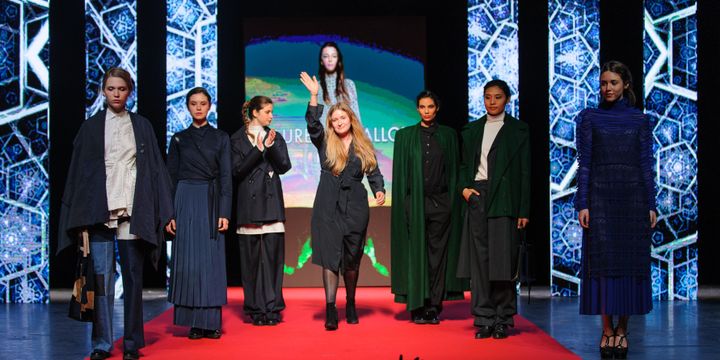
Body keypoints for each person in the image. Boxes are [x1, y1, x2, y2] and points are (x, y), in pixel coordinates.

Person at [57, 67, 174, 360]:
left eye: (121, 89)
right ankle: (101, 343)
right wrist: (80, 217)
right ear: (103, 91)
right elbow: (79, 175)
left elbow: (156, 169)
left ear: (129, 91)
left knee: (134, 277)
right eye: (111, 89)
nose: (116, 94)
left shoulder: (142, 125)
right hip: (99, 211)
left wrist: (167, 211)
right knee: (101, 280)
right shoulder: (91, 127)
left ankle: (132, 343)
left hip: (133, 209)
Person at [575, 60, 657, 359]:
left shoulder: (640, 120)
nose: (607, 88)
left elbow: (646, 165)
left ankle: (623, 329)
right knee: (603, 267)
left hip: (632, 198)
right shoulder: (590, 118)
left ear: (625, 86)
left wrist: (651, 203)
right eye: (604, 83)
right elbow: (585, 164)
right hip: (600, 198)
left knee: (629, 267)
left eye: (613, 83)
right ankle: (607, 329)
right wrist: (583, 202)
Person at [299, 71, 385, 330]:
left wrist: (378, 189)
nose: (338, 121)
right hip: (327, 205)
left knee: (351, 259)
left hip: (356, 207)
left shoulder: (363, 145)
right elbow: (313, 125)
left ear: (351, 119)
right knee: (329, 258)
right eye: (334, 119)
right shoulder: (324, 141)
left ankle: (350, 303)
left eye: (342, 117)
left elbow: (374, 171)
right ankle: (330, 309)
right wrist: (314, 96)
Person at [457, 79, 530, 340]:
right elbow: (464, 164)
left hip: (505, 199)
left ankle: (503, 318)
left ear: (507, 99)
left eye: (497, 97)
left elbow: (524, 172)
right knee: (480, 263)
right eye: (488, 97)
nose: (492, 102)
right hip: (478, 196)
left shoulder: (518, 130)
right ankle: (484, 318)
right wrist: (464, 188)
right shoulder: (472, 129)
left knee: (502, 261)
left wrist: (524, 210)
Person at [390, 90, 467, 324]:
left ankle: (434, 306)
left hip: (441, 204)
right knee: (417, 255)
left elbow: (454, 170)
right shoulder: (405, 137)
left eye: (430, 107)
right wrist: (404, 205)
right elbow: (401, 177)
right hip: (415, 203)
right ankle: (417, 305)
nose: (426, 111)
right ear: (417, 109)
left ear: (437, 108)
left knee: (437, 256)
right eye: (422, 107)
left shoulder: (448, 135)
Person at [165, 87, 232, 340]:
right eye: (194, 103)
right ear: (188, 106)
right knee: (189, 262)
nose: (199, 107)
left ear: (210, 106)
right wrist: (169, 214)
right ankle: (193, 322)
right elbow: (170, 178)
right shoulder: (179, 138)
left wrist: (224, 212)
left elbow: (226, 177)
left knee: (211, 262)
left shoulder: (220, 138)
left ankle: (211, 322)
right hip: (184, 199)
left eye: (203, 103)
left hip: (210, 200)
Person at [231, 95, 291, 326]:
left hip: (272, 206)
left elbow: (284, 166)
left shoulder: (275, 136)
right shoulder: (236, 139)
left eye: (272, 112)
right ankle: (256, 309)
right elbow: (237, 171)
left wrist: (270, 145)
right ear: (255, 112)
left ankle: (273, 308)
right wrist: (257, 149)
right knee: (251, 264)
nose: (271, 115)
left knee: (274, 263)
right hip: (248, 207)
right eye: (267, 111)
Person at [316, 41, 361, 122]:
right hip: (327, 133)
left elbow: (356, 117)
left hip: (347, 134)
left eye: (334, 56)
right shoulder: (317, 87)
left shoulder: (349, 84)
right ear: (321, 61)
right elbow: (318, 121)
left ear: (338, 60)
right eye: (326, 56)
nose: (330, 59)